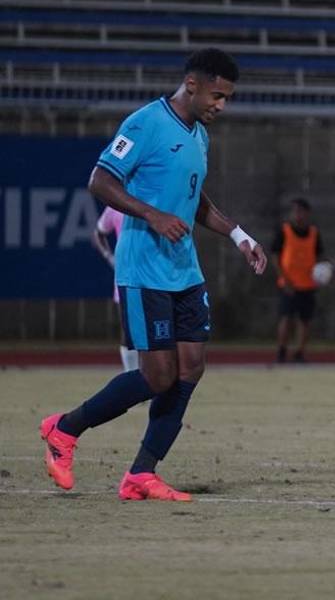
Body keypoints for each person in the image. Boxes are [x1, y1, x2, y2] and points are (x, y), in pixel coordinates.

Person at [39, 47, 267, 502]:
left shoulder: (200, 134)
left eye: (227, 98)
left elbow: (196, 197)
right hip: (144, 269)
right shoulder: (145, 123)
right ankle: (64, 428)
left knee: (192, 367)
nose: (221, 105)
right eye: (217, 96)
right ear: (193, 85)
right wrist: (153, 214)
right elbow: (100, 181)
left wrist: (239, 235)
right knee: (158, 376)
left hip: (185, 270)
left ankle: (141, 473)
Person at [270, 198, 325, 364]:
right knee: (286, 318)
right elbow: (275, 256)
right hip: (289, 284)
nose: (297, 214)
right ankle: (281, 351)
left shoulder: (314, 233)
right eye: (294, 211)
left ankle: (299, 352)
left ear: (307, 213)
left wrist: (326, 270)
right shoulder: (284, 231)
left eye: (300, 211)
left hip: (308, 283)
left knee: (305, 320)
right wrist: (283, 278)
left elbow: (320, 256)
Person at [92, 205, 140, 372]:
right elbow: (98, 233)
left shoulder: (153, 199)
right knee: (129, 330)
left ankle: (158, 377)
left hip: (156, 274)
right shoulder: (116, 205)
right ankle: (131, 376)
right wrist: (109, 257)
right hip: (126, 275)